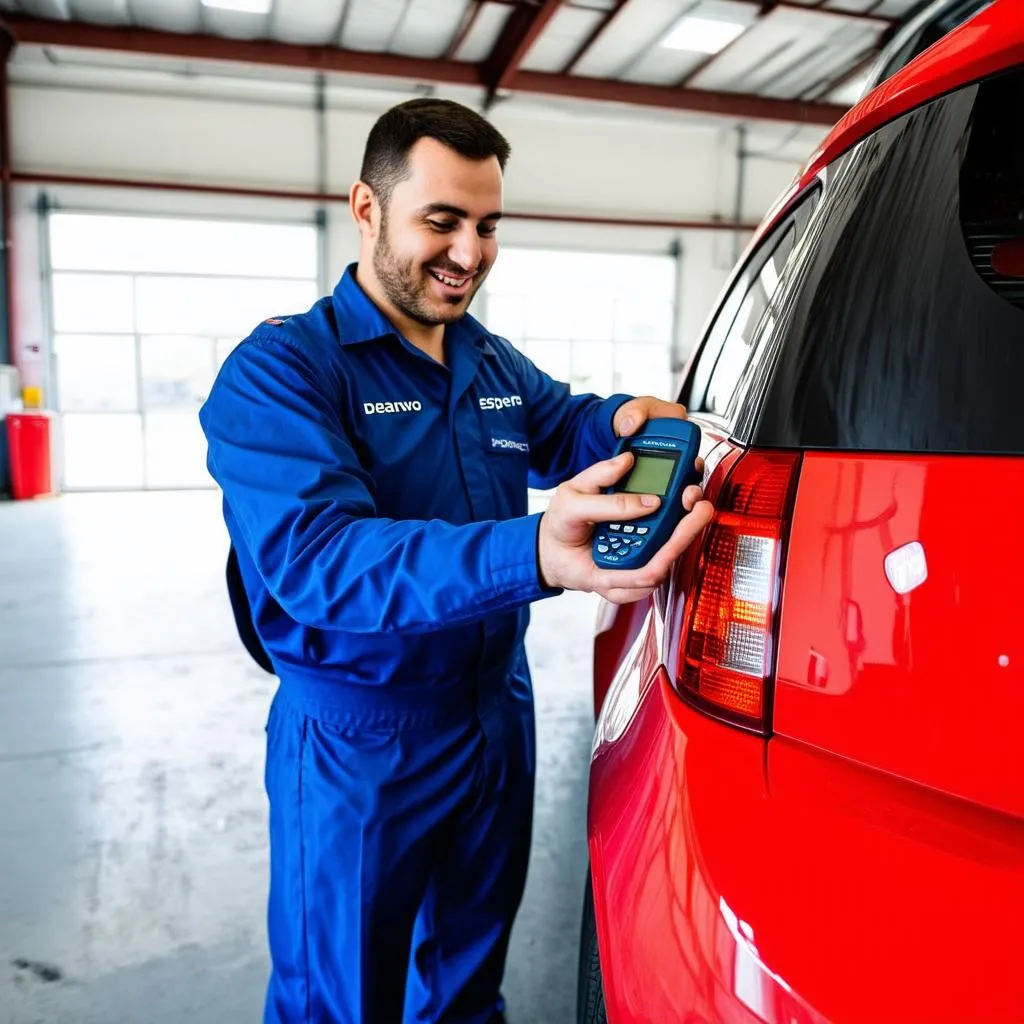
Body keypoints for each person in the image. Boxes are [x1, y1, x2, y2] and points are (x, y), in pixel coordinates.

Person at [198, 97, 713, 1024]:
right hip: (360, 740)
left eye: (486, 226)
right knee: (340, 1001)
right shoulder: (282, 372)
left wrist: (627, 422)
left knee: (471, 983)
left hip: (492, 717)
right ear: (366, 209)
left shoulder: (486, 360)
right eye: (440, 222)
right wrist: (536, 550)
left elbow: (561, 425)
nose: (469, 254)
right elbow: (320, 558)